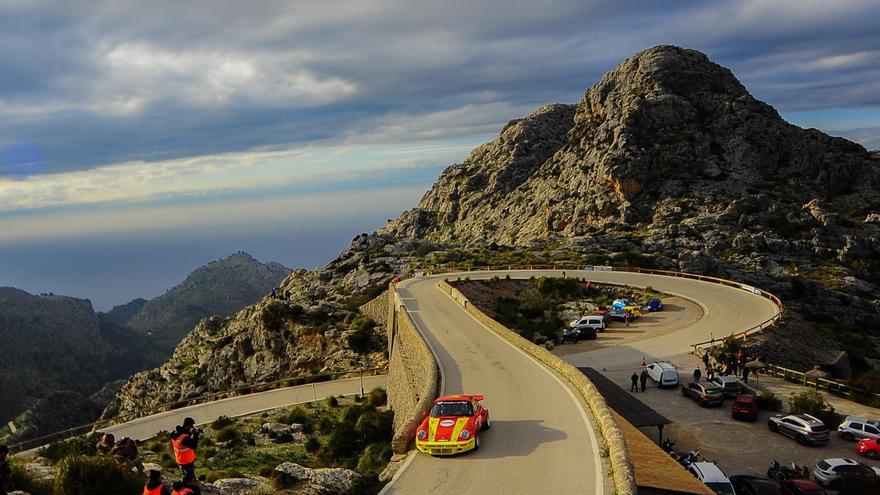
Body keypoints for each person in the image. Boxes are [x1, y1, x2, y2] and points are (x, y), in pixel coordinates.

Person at [170, 418, 200, 483]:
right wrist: (196, 435)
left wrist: (190, 434)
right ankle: (192, 485)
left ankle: (187, 483)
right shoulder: (184, 438)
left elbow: (183, 438)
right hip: (187, 461)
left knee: (186, 475)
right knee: (191, 477)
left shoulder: (175, 435)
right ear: (188, 426)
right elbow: (194, 445)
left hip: (179, 459)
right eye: (191, 426)